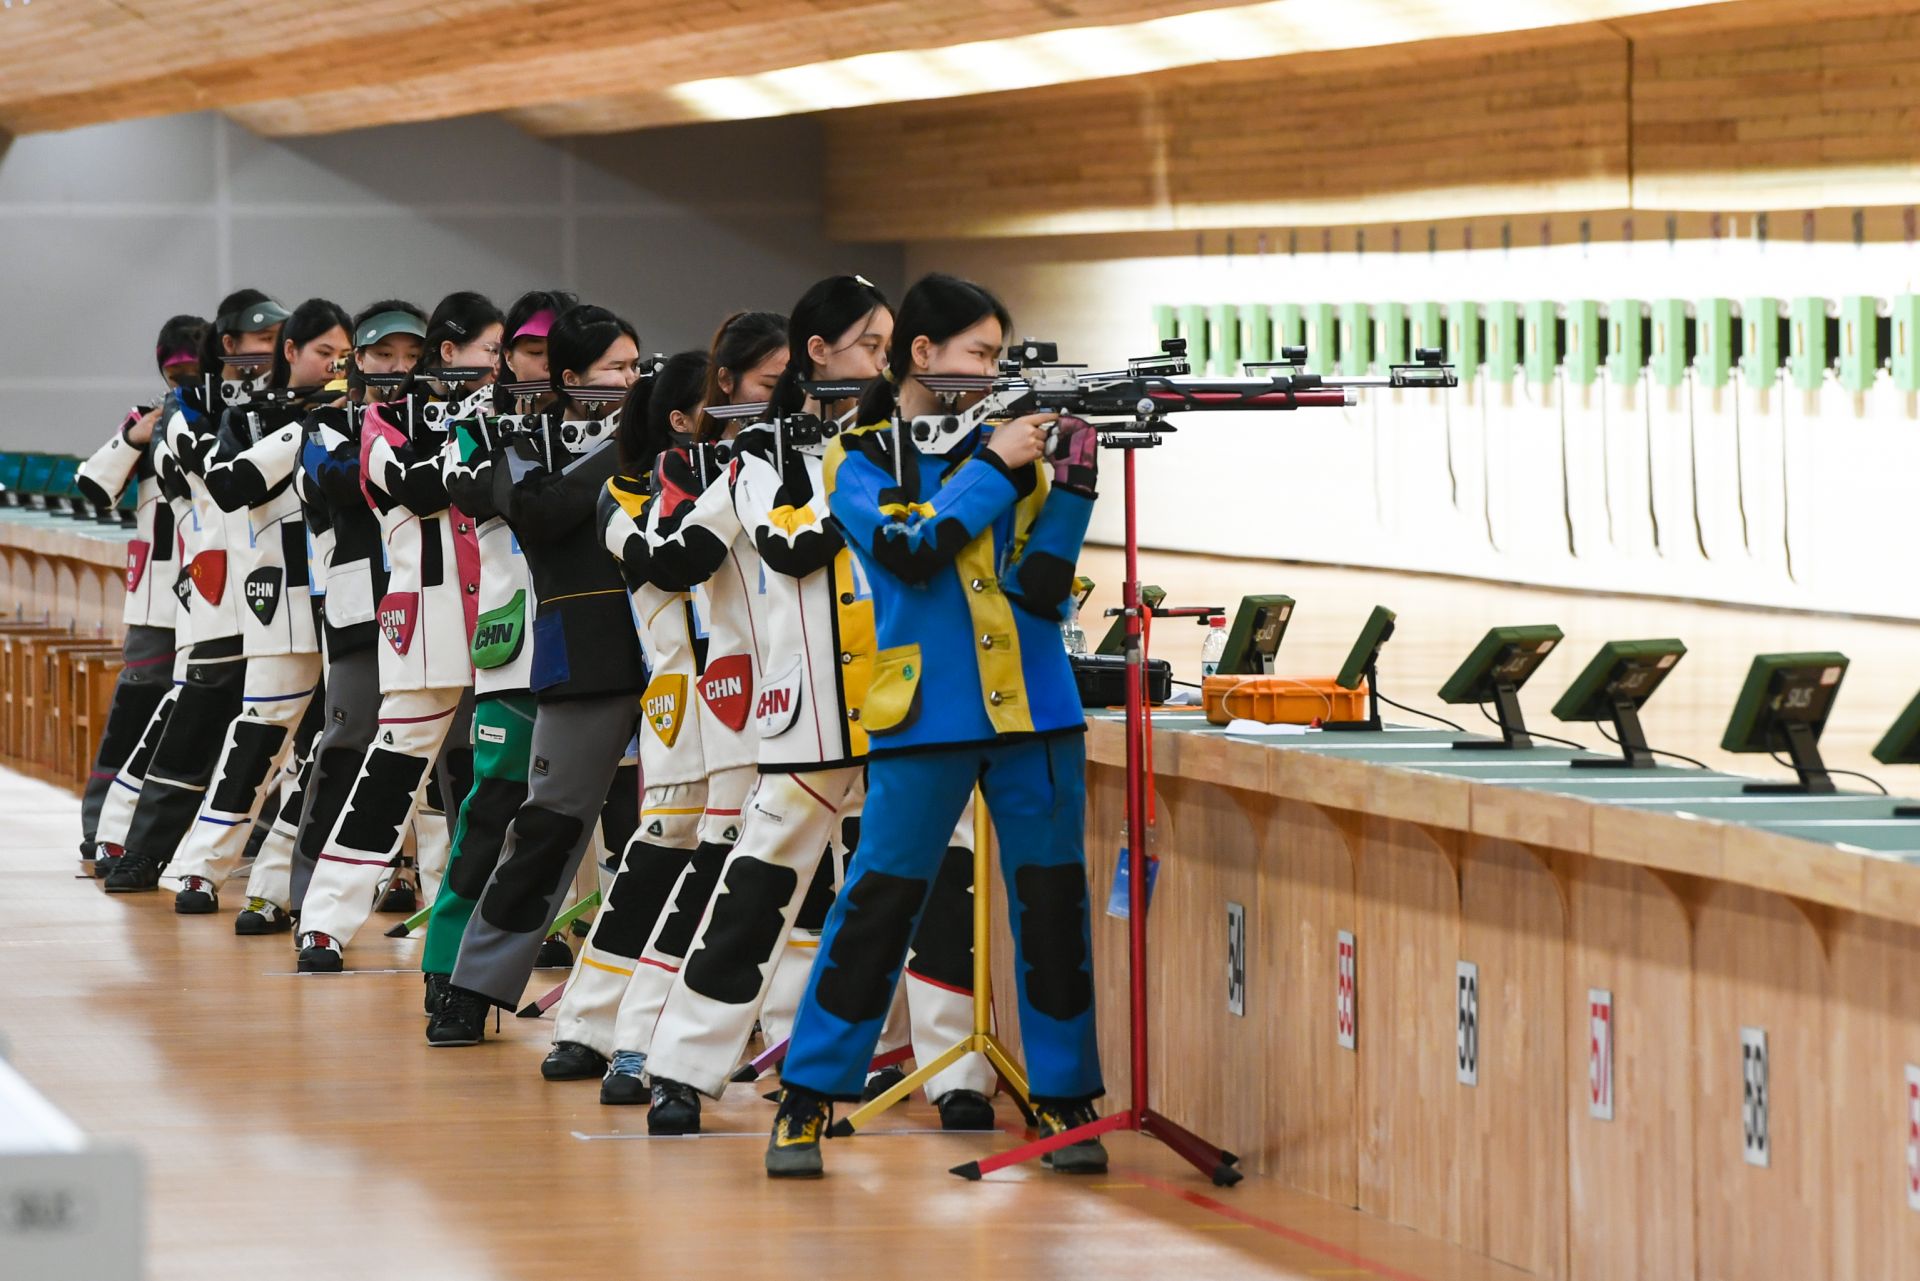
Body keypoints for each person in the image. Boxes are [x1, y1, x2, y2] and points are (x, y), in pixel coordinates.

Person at [766, 273, 1105, 1178]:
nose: (993, 369)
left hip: (1037, 708)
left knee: (1053, 906)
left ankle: (1068, 1093)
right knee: (878, 902)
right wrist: (996, 466)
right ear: (923, 354)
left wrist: (1072, 484)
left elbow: (1039, 585)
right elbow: (911, 553)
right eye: (979, 354)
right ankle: (807, 1096)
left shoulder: (1012, 444)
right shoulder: (856, 454)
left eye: (998, 356)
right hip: (926, 712)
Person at [641, 276, 992, 1136]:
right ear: (818, 354)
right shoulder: (760, 454)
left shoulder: (906, 441)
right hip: (810, 712)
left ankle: (957, 1072)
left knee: (945, 877)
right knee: (759, 886)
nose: (883, 361)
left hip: (910, 704)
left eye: (889, 345)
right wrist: (866, 486)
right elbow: (789, 546)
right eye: (870, 345)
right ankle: (683, 1065)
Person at [430, 304, 648, 1045]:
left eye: (636, 366)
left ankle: (644, 1015)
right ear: (568, 377)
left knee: (655, 838)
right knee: (545, 829)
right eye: (616, 368)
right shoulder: (518, 440)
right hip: (583, 653)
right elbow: (537, 510)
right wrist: (629, 445)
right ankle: (472, 985)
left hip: (680, 651)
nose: (630, 379)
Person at [594, 311, 787, 1116]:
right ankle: (637, 1041)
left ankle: (777, 1045)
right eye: (774, 387)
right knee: (711, 871)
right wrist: (621, 531)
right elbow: (675, 563)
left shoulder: (778, 461)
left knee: (770, 885)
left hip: (787, 704)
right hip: (723, 706)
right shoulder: (698, 475)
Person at [294, 293, 497, 972]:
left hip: (502, 622)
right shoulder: (383, 422)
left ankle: (487, 920)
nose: (499, 367)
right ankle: (323, 919)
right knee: (388, 773)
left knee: (485, 783)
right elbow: (415, 484)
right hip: (425, 622)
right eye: (490, 352)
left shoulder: (502, 417)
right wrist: (472, 439)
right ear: (453, 353)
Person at [542, 348, 711, 1084]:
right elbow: (673, 562)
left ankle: (627, 1027)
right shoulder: (625, 498)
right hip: (680, 700)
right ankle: (596, 1025)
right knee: (656, 866)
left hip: (753, 705)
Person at [423, 289, 585, 1015]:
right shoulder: (472, 427)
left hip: (597, 645)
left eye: (560, 354)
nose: (544, 366)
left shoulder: (601, 428)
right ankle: (451, 961)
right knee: (493, 812)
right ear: (507, 355)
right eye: (530, 350)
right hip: (514, 641)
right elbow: (481, 493)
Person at [165, 298, 351, 919]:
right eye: (324, 352)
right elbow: (227, 487)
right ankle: (200, 869)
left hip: (349, 600)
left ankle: (273, 889)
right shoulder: (246, 417)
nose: (334, 365)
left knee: (327, 752)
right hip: (278, 601)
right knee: (255, 743)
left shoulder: (364, 415)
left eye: (344, 355)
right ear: (291, 352)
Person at [101, 290, 290, 893]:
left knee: (272, 736)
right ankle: (135, 846)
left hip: (280, 588)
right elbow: (213, 472)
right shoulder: (186, 408)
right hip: (214, 588)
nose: (269, 352)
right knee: (187, 722)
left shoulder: (290, 407)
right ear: (228, 345)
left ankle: (250, 867)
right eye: (258, 340)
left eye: (279, 340)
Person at [286, 300, 425, 934]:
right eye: (384, 355)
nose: (398, 368)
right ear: (358, 362)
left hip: (436, 607)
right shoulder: (322, 427)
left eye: (412, 356)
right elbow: (345, 479)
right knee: (345, 745)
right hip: (359, 611)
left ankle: (422, 886)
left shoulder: (441, 426)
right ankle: (309, 890)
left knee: (444, 760)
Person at [75, 314, 204, 873]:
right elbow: (93, 484)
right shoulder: (147, 416)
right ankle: (101, 824)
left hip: (217, 594)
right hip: (155, 594)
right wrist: (134, 436)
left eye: (194, 368)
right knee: (136, 705)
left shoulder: (232, 418)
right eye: (176, 370)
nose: (185, 379)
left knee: (211, 711)